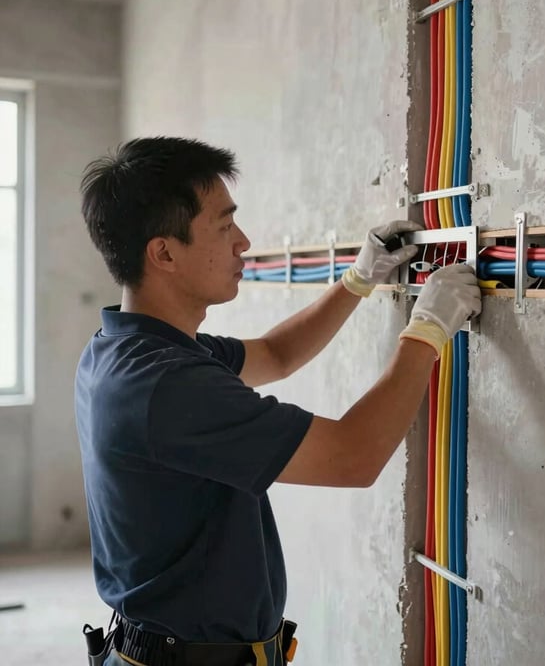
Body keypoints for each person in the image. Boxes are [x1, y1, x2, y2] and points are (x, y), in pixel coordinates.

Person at [75, 136, 481, 666]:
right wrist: (426, 331)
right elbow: (353, 456)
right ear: (165, 252)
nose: (243, 242)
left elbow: (275, 354)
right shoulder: (164, 385)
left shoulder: (132, 349)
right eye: (224, 226)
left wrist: (358, 279)